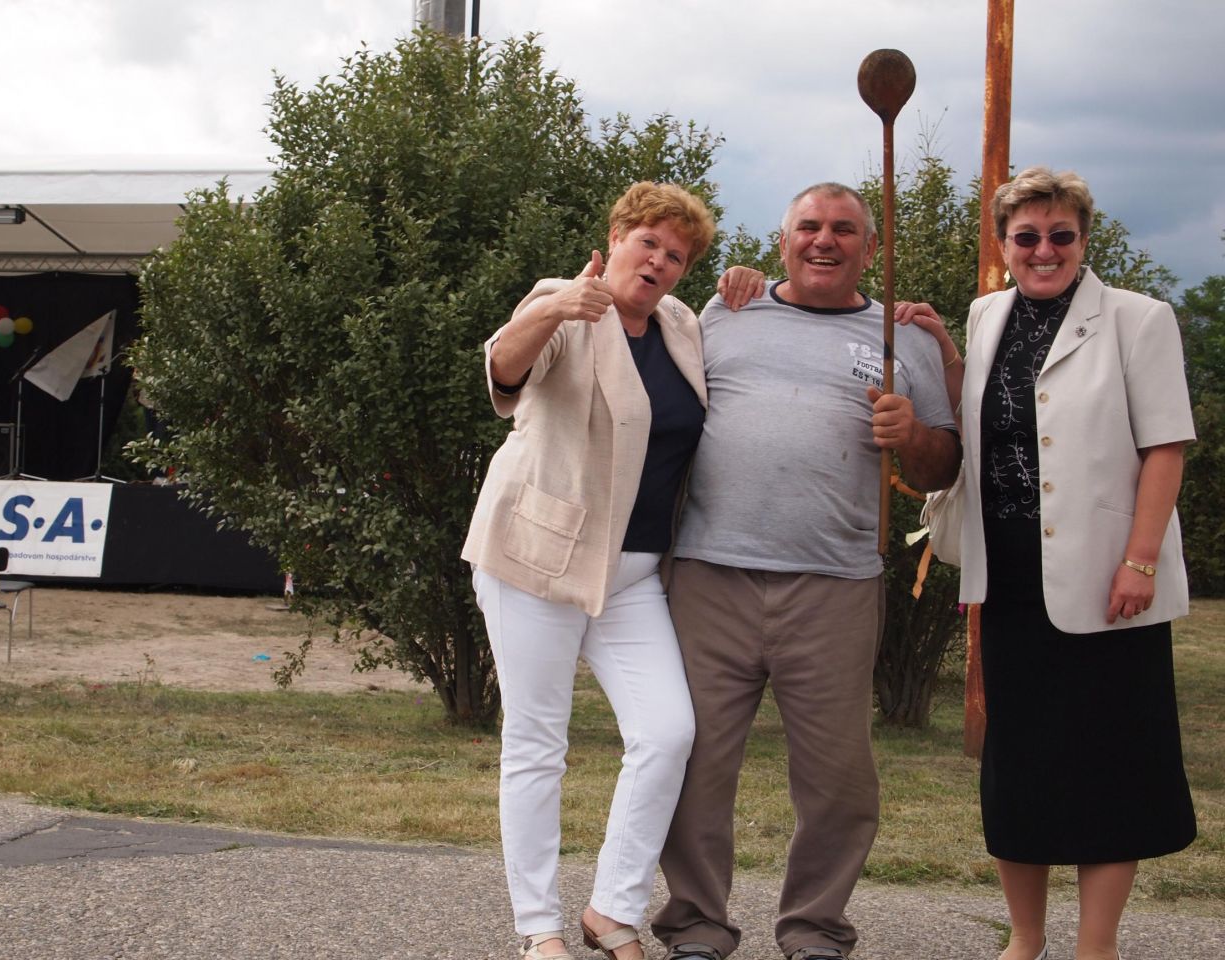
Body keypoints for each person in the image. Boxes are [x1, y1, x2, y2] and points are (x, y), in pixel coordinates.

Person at [652, 182, 961, 960]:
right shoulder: (726, 312)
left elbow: (941, 467)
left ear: (871, 247)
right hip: (710, 576)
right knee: (693, 763)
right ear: (783, 240)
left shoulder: (903, 337)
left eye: (845, 229)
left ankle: (816, 929)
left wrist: (911, 434)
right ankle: (695, 926)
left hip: (835, 584)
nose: (825, 240)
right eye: (810, 227)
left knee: (837, 777)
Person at [895, 166, 1197, 960]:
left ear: (1084, 240)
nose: (1044, 250)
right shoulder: (987, 313)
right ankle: (1023, 941)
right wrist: (946, 350)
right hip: (1009, 581)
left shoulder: (1139, 319)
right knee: (1019, 769)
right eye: (1026, 236)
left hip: (1109, 582)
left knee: (1111, 768)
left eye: (1061, 235)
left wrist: (1139, 560)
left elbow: (1166, 448)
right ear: (1004, 244)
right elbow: (983, 415)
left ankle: (1097, 947)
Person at [463, 182, 718, 960]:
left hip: (631, 576)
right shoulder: (565, 301)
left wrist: (740, 283)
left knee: (667, 732)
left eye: (677, 255)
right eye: (649, 243)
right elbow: (503, 371)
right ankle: (538, 927)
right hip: (535, 558)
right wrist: (553, 311)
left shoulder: (680, 325)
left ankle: (612, 909)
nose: (660, 261)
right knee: (537, 743)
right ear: (615, 240)